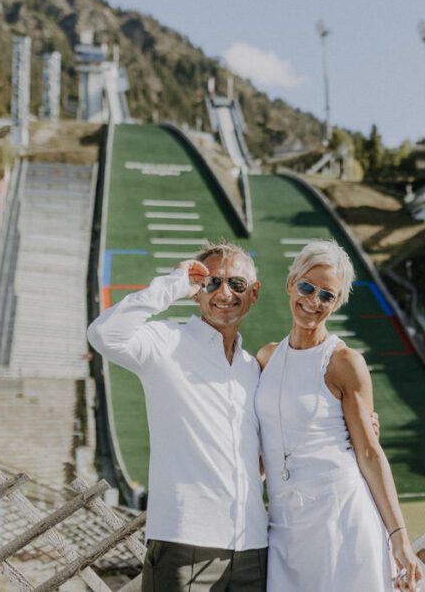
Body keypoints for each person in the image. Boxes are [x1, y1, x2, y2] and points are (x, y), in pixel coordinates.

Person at [87, 242, 268, 592]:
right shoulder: (164, 343)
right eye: (211, 283)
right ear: (197, 292)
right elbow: (103, 333)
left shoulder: (252, 369)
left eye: (237, 284)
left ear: (254, 293)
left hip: (253, 546)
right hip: (184, 542)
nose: (224, 293)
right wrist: (175, 283)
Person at [255, 239, 424, 592]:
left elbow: (369, 453)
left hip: (341, 519)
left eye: (327, 295)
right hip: (284, 525)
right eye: (306, 287)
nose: (313, 300)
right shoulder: (266, 359)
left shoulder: (345, 363)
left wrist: (400, 539)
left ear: (337, 302)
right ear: (291, 284)